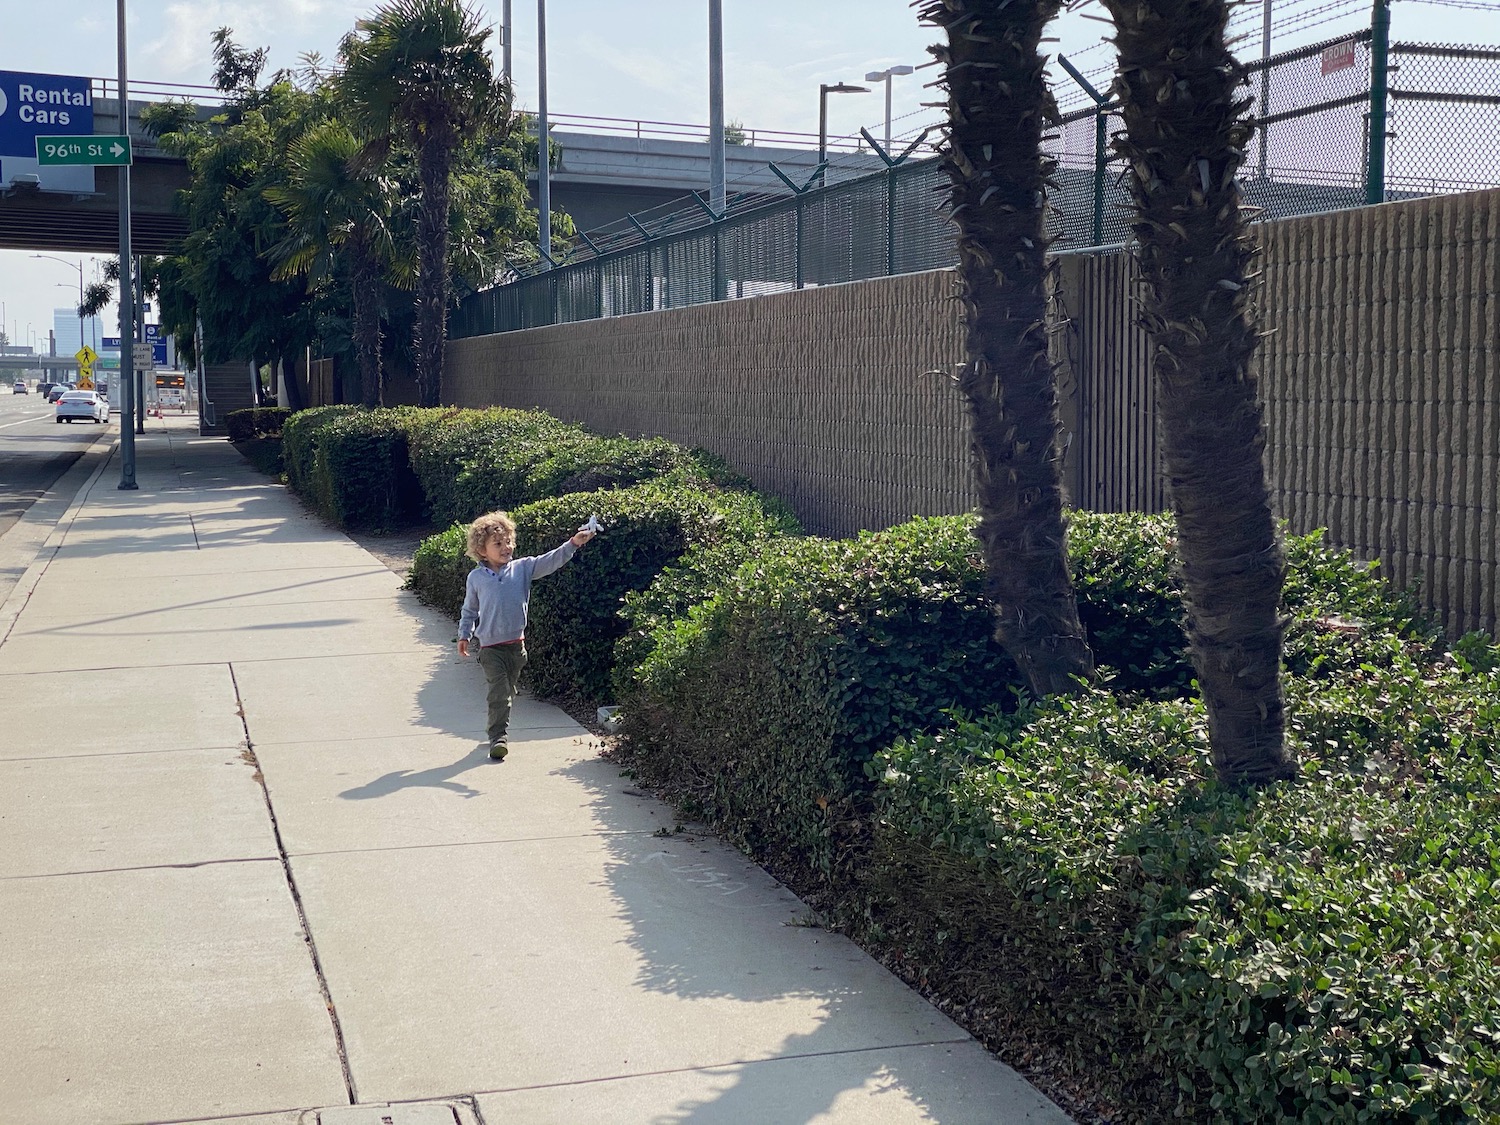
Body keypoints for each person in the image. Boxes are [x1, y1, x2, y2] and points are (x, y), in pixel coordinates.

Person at [457, 511, 596, 760]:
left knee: (507, 690)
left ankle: (501, 712)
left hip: (516, 647)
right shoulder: (476, 578)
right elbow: (470, 609)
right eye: (497, 544)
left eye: (508, 541)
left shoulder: (523, 568)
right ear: (482, 550)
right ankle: (498, 737)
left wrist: (574, 543)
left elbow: (551, 560)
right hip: (490, 648)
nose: (506, 547)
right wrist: (464, 634)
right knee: (499, 693)